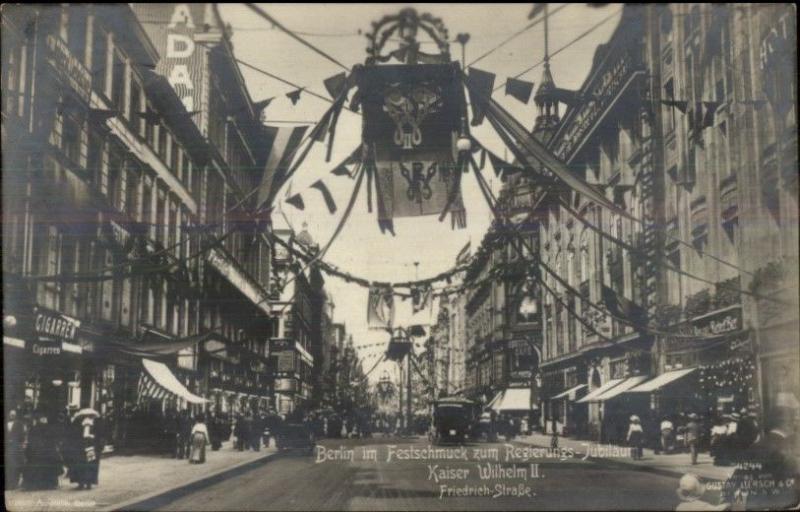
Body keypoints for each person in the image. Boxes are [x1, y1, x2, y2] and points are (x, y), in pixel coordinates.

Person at [23, 411, 62, 490]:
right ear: (39, 419)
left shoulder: (48, 428)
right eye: (42, 419)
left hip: (47, 451)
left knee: (48, 466)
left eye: (45, 418)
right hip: (38, 451)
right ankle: (37, 484)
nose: (44, 420)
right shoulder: (34, 428)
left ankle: (49, 484)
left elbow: (52, 439)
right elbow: (31, 440)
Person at [6, 409, 26, 490]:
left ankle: (15, 483)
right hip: (8, 447)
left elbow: (22, 435)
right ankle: (9, 484)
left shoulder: (19, 424)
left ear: (16, 415)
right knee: (9, 466)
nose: (12, 416)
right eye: (11, 414)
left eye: (14, 415)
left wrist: (18, 443)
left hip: (16, 447)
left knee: (17, 466)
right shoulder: (6, 424)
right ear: (9, 415)